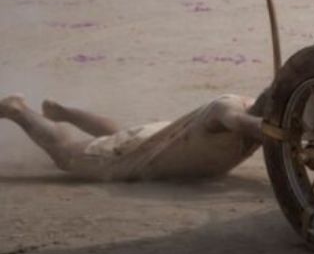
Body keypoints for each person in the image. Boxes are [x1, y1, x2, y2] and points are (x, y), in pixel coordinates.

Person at [0, 93, 263, 182]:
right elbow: (244, 123)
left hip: (169, 137)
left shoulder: (253, 104)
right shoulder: (230, 109)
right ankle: (17, 109)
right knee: (69, 155)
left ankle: (64, 113)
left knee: (126, 134)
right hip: (154, 154)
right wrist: (282, 131)